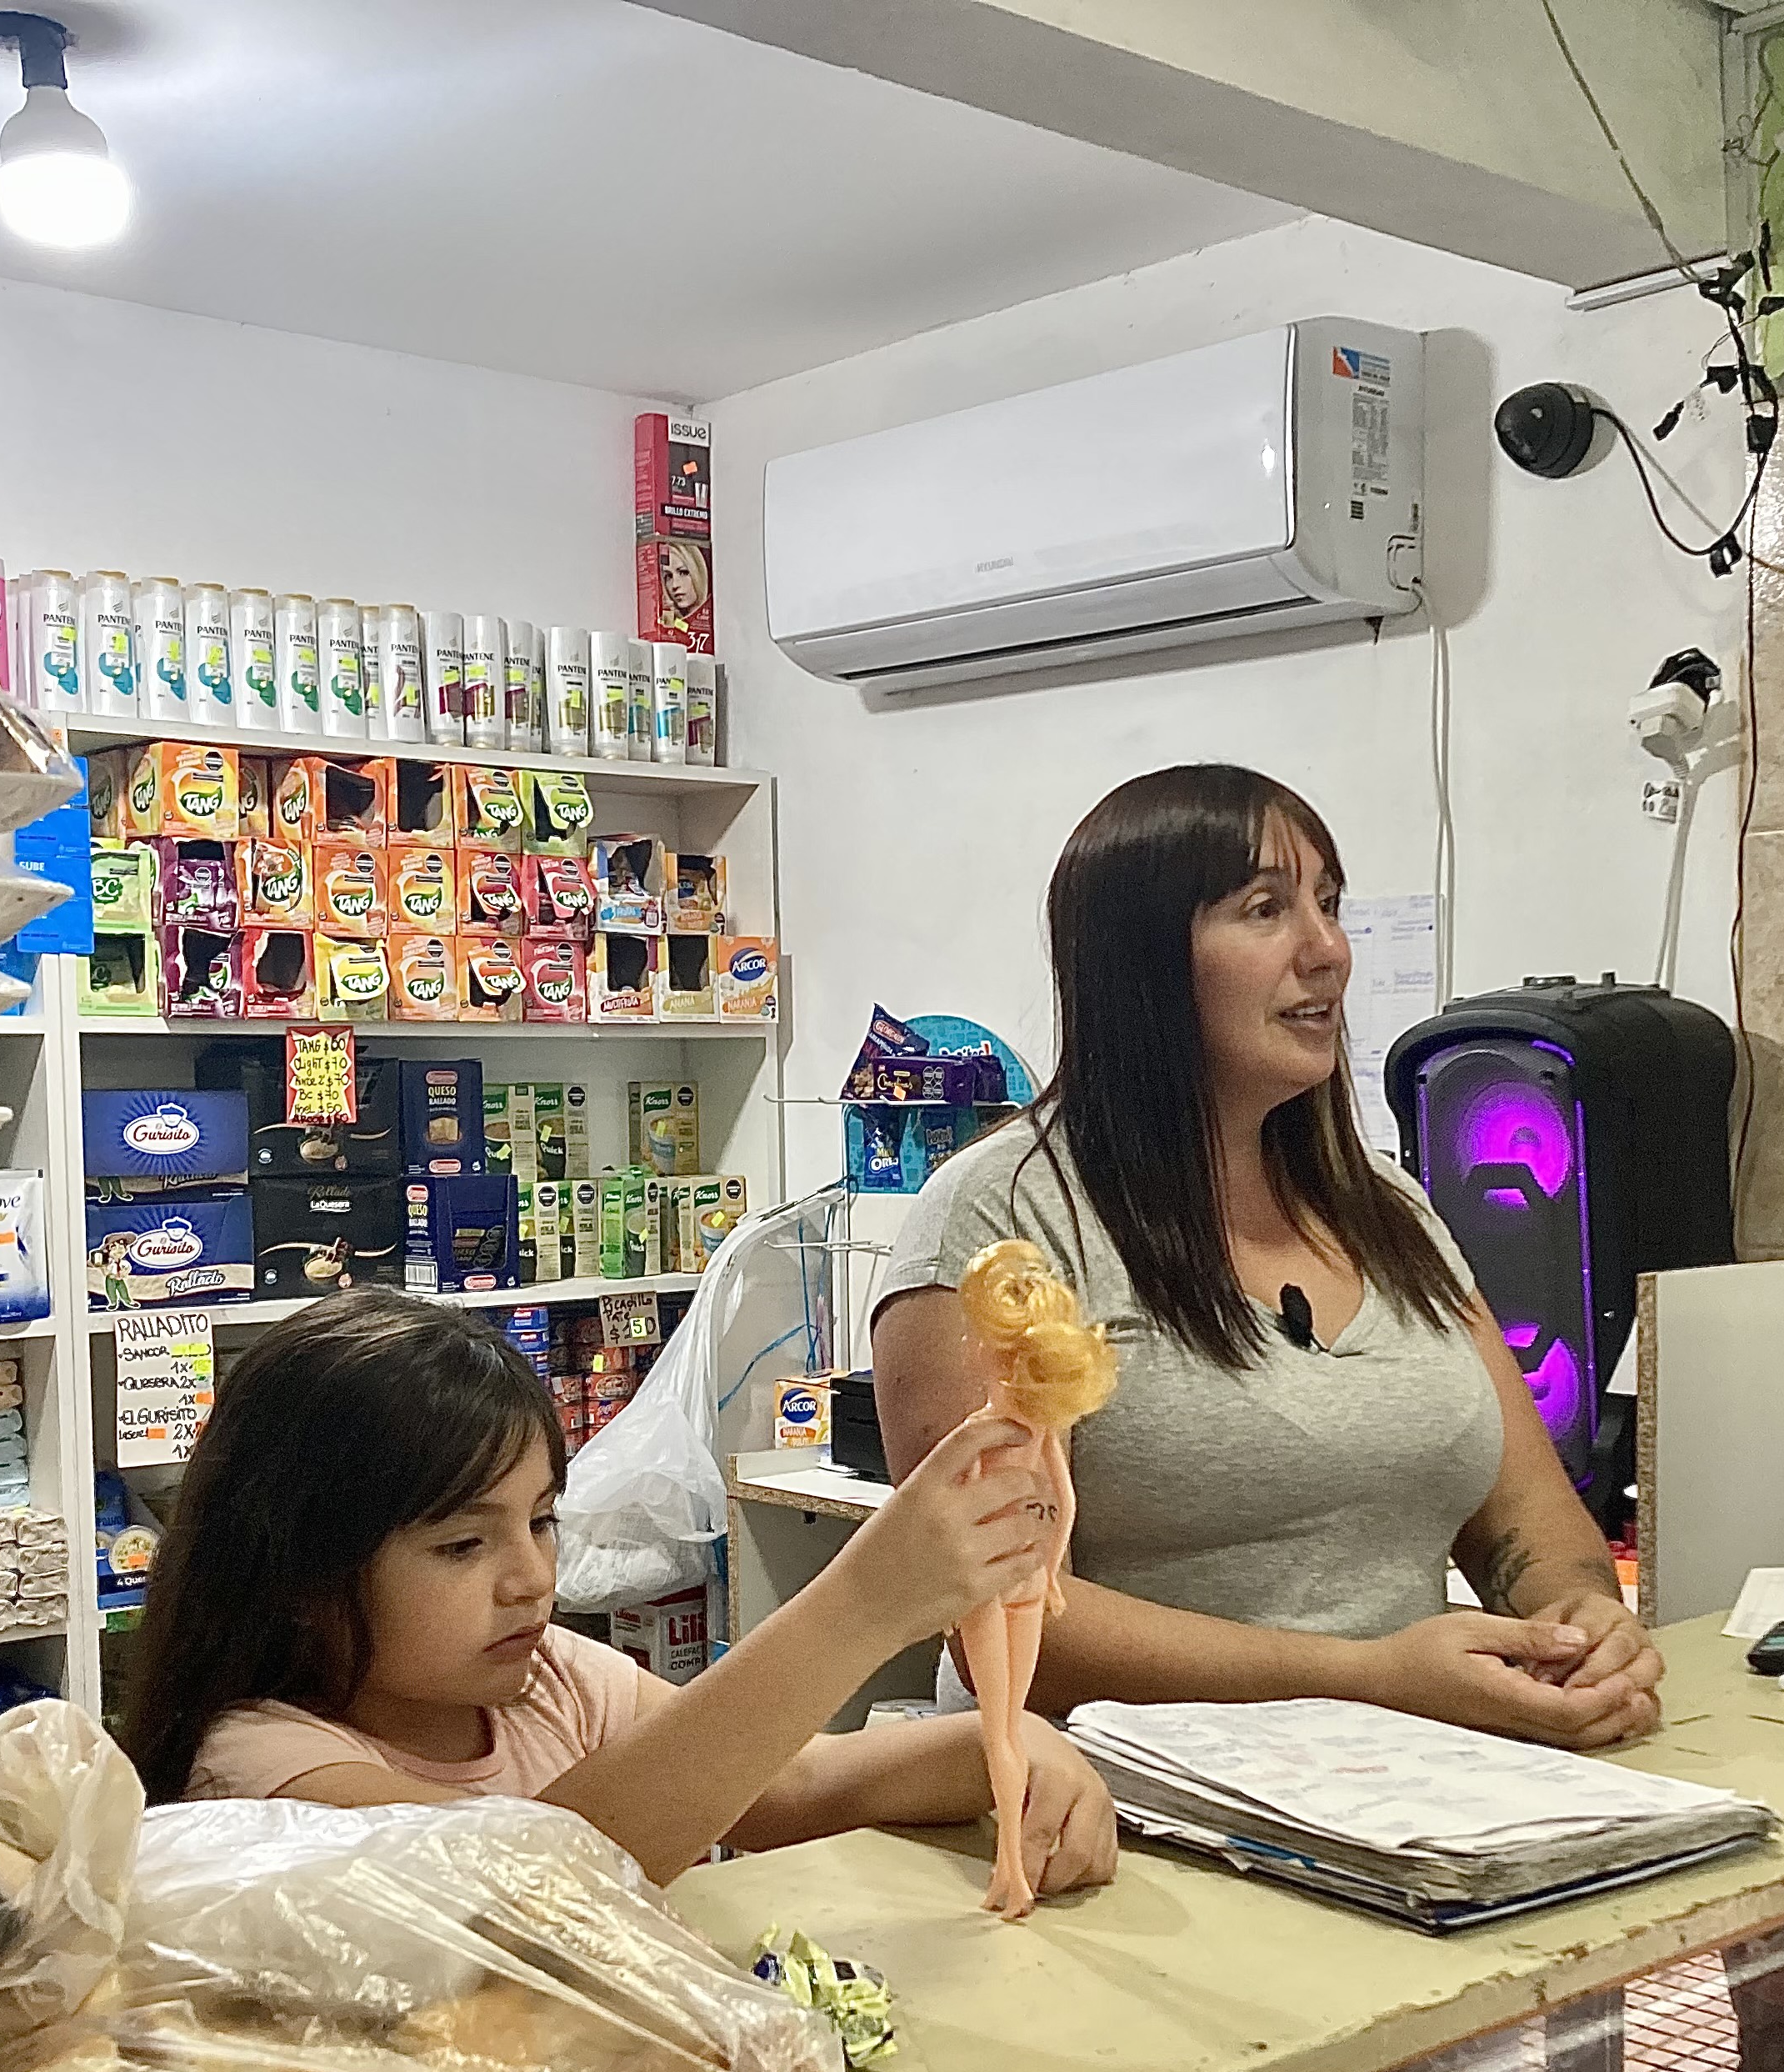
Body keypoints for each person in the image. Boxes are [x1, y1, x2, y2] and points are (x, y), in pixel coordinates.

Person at [869, 762, 1664, 1741]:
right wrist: (1366, 1677)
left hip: (1416, 1786)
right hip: (1116, 1826)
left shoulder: (1392, 1212)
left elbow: (1527, 1519)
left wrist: (1577, 1616)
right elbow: (1009, 1621)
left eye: (1328, 904)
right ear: (1143, 963)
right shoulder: (999, 1227)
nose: (1327, 949)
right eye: (1264, 908)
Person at [120, 1290, 1122, 1896]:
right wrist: (862, 1601)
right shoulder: (260, 1766)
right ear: (299, 1569)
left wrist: (1004, 1745)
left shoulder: (552, 1683)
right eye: (464, 1543)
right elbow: (526, 1891)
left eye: (542, 1520)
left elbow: (795, 1784)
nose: (530, 1578)